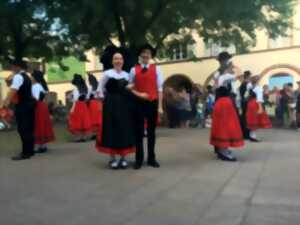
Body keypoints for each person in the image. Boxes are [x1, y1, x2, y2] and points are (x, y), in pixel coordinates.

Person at [97, 49, 148, 170]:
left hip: (125, 105)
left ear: (123, 61)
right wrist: (103, 102)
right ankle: (112, 158)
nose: (118, 61)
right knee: (112, 129)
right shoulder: (107, 74)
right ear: (112, 61)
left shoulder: (127, 75)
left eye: (120, 59)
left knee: (124, 129)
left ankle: (123, 158)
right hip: (110, 105)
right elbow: (99, 90)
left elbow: (131, 89)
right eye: (116, 58)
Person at [130, 44, 164, 169]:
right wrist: (139, 94)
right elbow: (130, 87)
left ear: (151, 55)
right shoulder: (134, 70)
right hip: (138, 103)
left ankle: (151, 158)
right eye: (143, 52)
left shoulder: (157, 69)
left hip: (152, 102)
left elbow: (160, 88)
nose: (145, 55)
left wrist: (160, 106)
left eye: (148, 53)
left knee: (151, 132)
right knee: (138, 132)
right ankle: (138, 159)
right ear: (140, 55)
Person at [210, 58, 244, 162]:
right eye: (230, 67)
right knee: (226, 126)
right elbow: (240, 76)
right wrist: (235, 67)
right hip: (225, 104)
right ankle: (223, 150)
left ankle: (221, 149)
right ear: (227, 68)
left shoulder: (219, 76)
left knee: (221, 126)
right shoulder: (225, 76)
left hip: (220, 103)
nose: (232, 69)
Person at [2, 60, 36, 160]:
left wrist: (5, 103)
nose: (11, 68)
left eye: (12, 66)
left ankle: (25, 153)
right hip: (29, 105)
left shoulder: (18, 77)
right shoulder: (27, 77)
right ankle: (30, 150)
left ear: (18, 67)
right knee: (29, 129)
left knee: (23, 129)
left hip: (22, 105)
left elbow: (13, 90)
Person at [31, 70, 55, 153]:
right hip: (42, 106)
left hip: (38, 106)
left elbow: (36, 98)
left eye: (32, 76)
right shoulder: (41, 85)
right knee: (43, 124)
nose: (31, 78)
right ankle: (43, 145)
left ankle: (41, 146)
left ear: (35, 77)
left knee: (39, 125)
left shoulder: (35, 86)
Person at [246, 75, 272, 142]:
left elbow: (247, 91)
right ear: (258, 80)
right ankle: (252, 136)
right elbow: (259, 98)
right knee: (256, 119)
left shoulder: (249, 86)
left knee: (252, 119)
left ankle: (251, 136)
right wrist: (260, 108)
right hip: (255, 103)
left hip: (250, 103)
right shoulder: (258, 88)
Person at [68, 74, 92, 142]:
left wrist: (70, 98)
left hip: (77, 106)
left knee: (76, 121)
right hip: (84, 106)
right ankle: (83, 137)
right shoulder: (86, 89)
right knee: (83, 121)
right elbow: (87, 98)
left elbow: (74, 99)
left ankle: (78, 137)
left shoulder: (75, 90)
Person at [87, 73, 103, 138]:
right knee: (96, 119)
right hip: (96, 103)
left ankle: (97, 133)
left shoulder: (93, 87)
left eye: (89, 80)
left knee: (96, 119)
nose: (89, 81)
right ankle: (96, 133)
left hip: (95, 103)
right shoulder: (95, 86)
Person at [239, 71, 252, 139]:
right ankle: (245, 134)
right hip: (245, 102)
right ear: (248, 76)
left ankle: (244, 134)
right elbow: (246, 95)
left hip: (243, 102)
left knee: (244, 118)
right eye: (250, 76)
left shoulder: (243, 84)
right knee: (245, 118)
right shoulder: (246, 84)